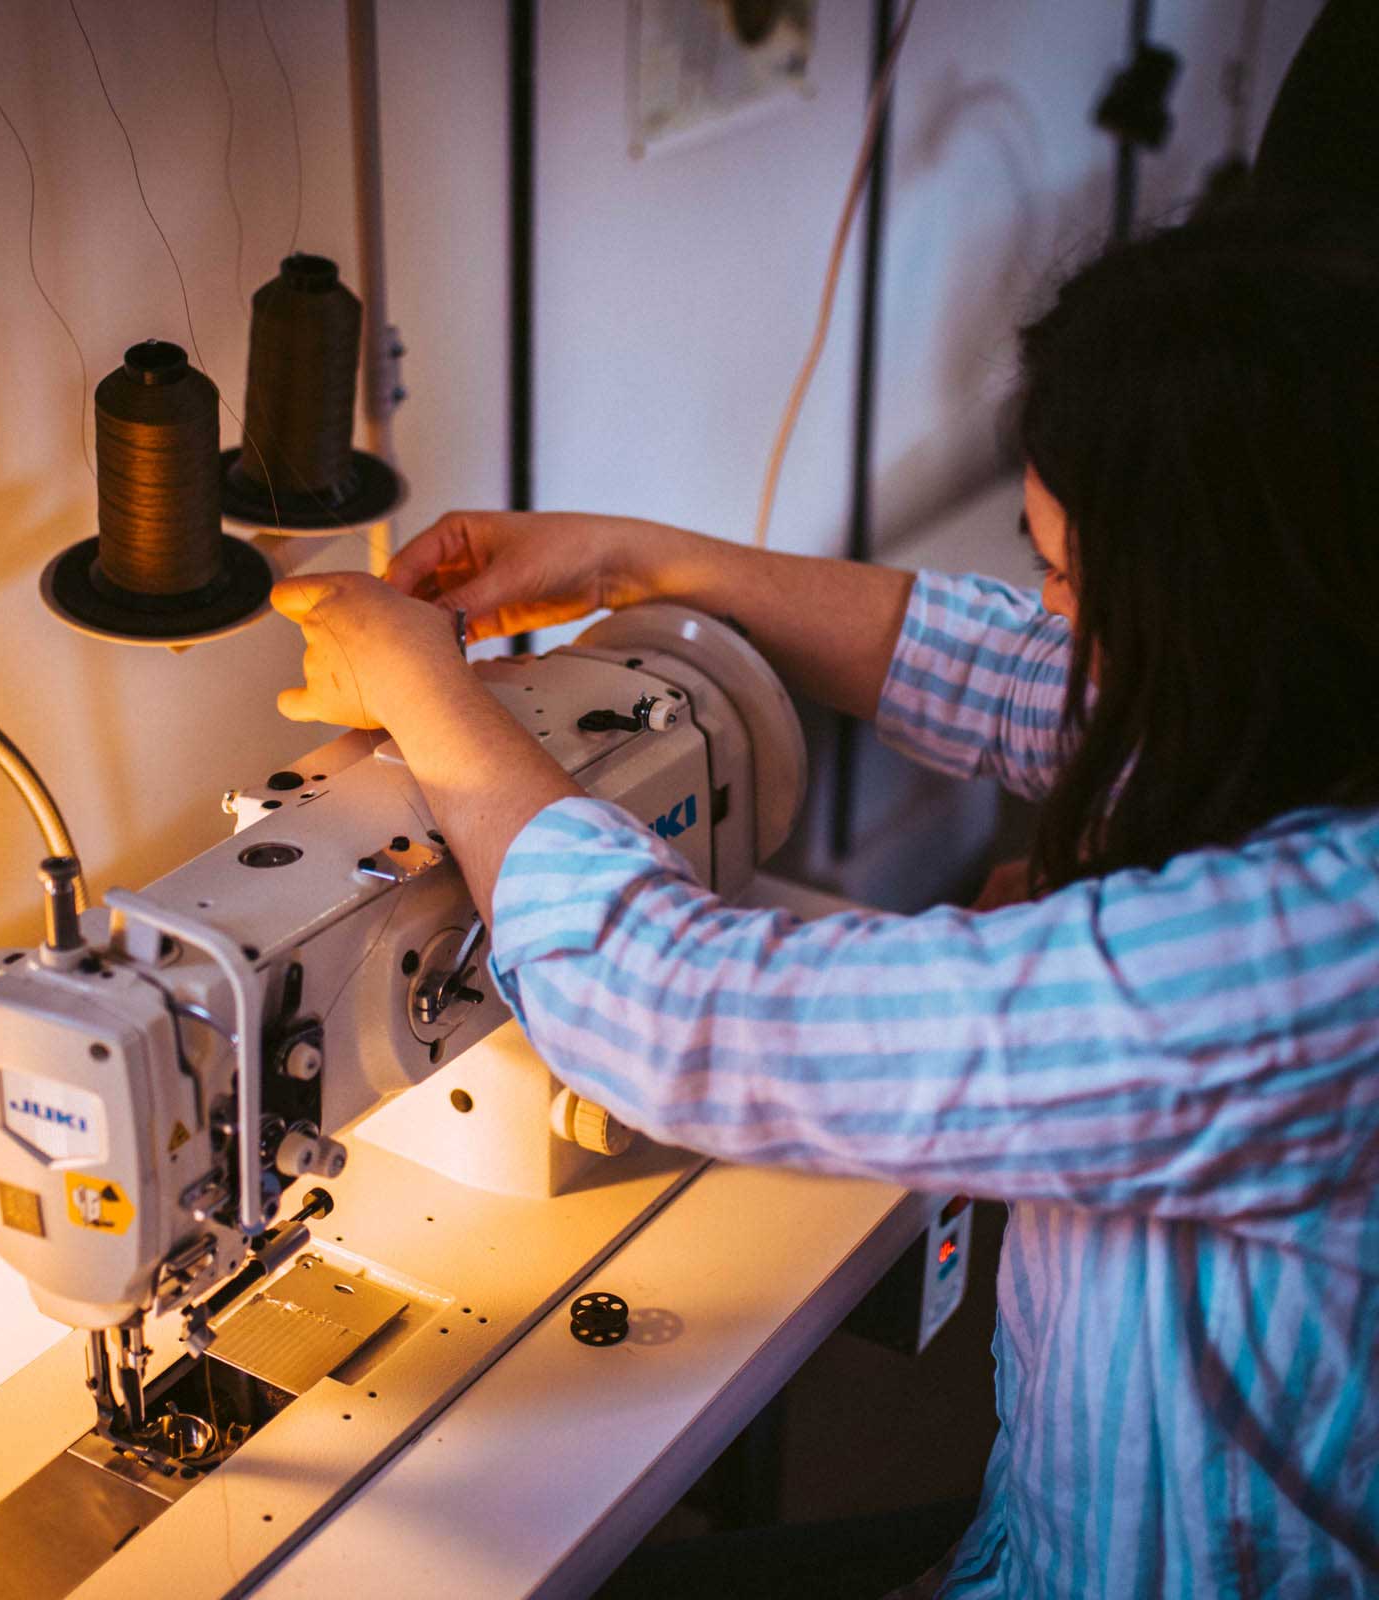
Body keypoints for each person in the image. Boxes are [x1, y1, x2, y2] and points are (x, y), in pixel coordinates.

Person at [269, 202, 1379, 1597]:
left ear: (1218, 600)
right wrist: (640, 559)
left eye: (1066, 571)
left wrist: (420, 690)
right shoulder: (1326, 683)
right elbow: (1030, 679)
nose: (1047, 613)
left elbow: (679, 1008)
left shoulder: (1286, 969)